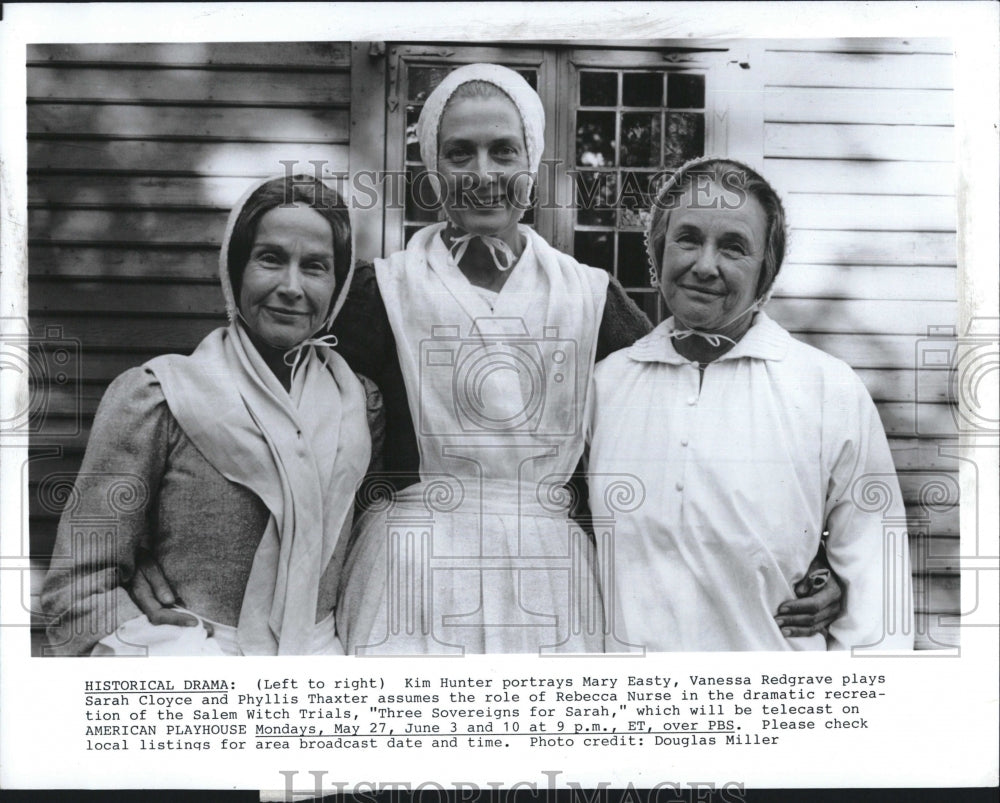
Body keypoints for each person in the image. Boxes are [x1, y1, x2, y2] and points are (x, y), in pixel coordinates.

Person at [126, 65, 844, 653]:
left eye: (504, 151)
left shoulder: (591, 297)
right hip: (409, 577)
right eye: (459, 152)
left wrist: (806, 558)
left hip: (553, 583)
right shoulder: (383, 291)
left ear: (531, 163)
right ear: (432, 167)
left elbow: (695, 425)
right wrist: (169, 554)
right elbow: (271, 416)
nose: (482, 173)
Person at [40, 175, 380, 656]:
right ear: (234, 269)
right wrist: (172, 651)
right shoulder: (158, 398)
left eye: (315, 267)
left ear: (338, 284)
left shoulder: (359, 406)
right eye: (271, 258)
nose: (291, 287)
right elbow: (76, 588)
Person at [586, 157, 914, 651]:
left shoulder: (828, 391)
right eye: (688, 238)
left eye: (734, 247)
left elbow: (877, 601)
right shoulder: (603, 389)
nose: (704, 265)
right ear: (658, 249)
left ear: (767, 270)